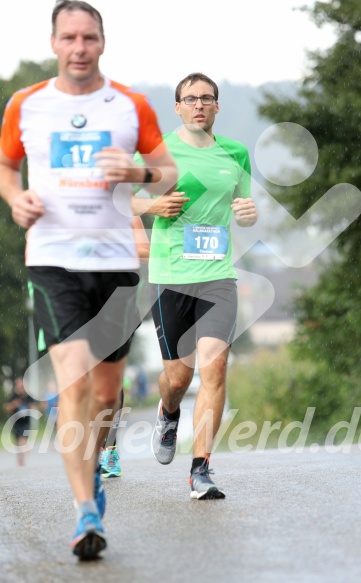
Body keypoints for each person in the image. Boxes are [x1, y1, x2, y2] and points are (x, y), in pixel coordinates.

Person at [0, 0, 178, 559]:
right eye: (69, 37)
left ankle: (93, 472)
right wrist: (14, 199)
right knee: (74, 382)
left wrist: (139, 173)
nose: (79, 48)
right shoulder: (25, 105)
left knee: (105, 394)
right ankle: (85, 513)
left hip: (117, 264)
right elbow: (6, 166)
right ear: (55, 43)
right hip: (53, 258)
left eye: (89, 38)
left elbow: (167, 169)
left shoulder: (131, 105)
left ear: (102, 43)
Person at [134, 72, 258, 500]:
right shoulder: (160, 150)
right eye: (191, 99)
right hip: (172, 277)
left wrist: (248, 214)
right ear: (178, 107)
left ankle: (200, 470)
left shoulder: (236, 153)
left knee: (215, 366)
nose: (199, 105)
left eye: (207, 98)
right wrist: (152, 204)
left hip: (219, 275)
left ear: (217, 107)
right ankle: (168, 413)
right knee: (177, 377)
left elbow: (245, 210)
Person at [99, 215, 150, 479]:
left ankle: (109, 449)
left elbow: (146, 250)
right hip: (81, 302)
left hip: (119, 304)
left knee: (112, 381)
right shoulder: (74, 204)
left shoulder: (126, 210)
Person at [3, 377, 39, 466]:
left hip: (26, 422)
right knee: (19, 441)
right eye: (20, 386)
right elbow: (6, 407)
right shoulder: (14, 396)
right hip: (17, 422)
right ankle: (21, 457)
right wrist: (14, 404)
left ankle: (22, 458)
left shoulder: (28, 396)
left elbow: (36, 407)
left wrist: (32, 407)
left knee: (24, 441)